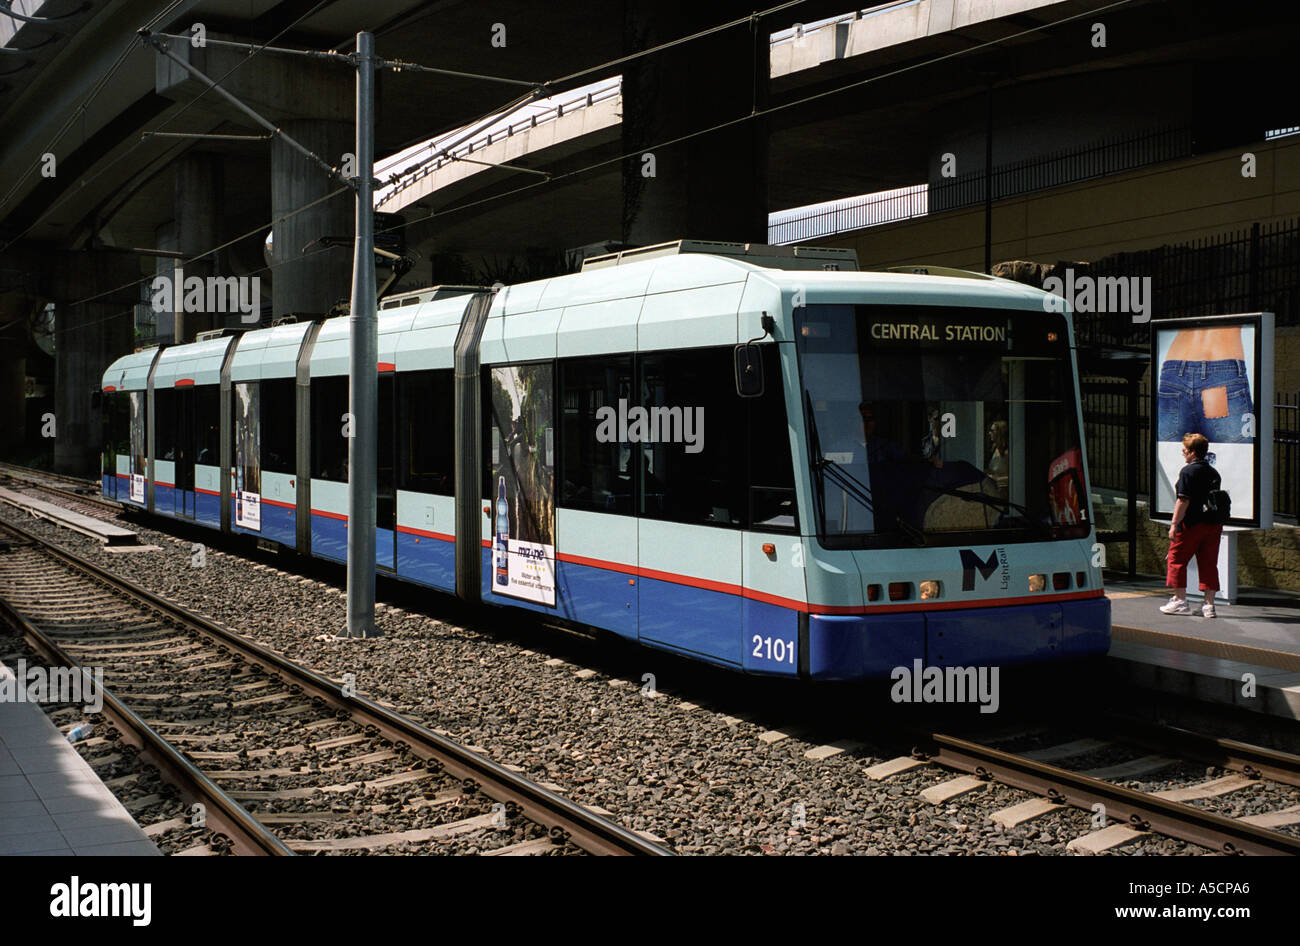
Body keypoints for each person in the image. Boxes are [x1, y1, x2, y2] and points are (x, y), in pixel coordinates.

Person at [1160, 432, 1223, 618]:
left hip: (1191, 524)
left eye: (1185, 450)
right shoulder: (1213, 472)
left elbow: (1183, 500)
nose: (1183, 453)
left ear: (1193, 452)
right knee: (1209, 563)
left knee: (1176, 559)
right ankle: (1209, 605)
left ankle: (1179, 600)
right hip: (1212, 524)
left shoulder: (1188, 472)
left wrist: (1174, 524)